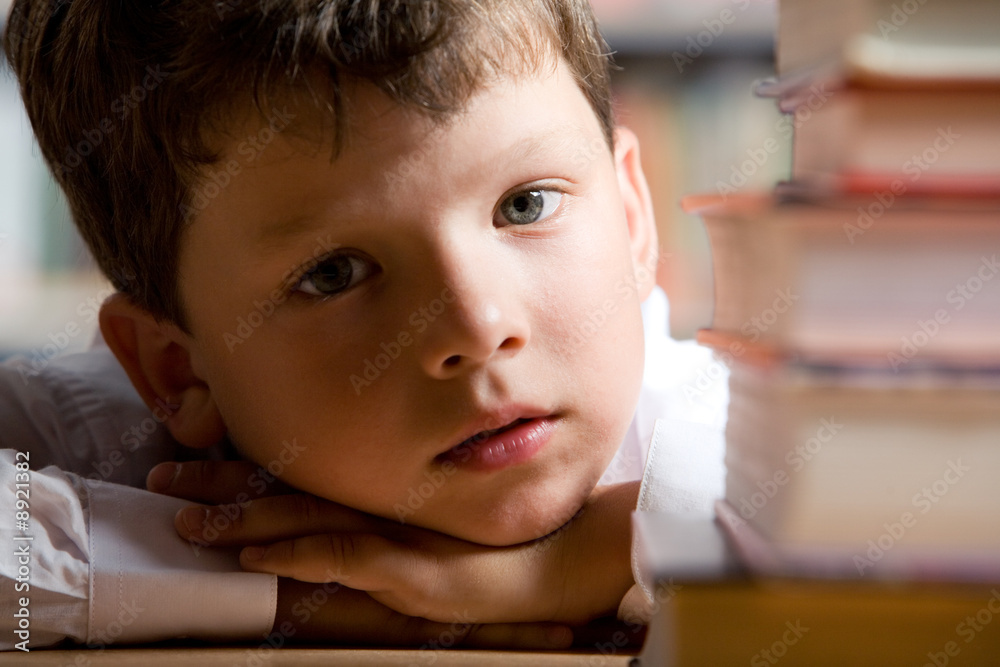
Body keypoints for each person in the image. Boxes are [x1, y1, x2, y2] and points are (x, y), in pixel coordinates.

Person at [0, 0, 727, 651]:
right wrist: (295, 589)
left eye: (526, 205)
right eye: (334, 274)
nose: (478, 327)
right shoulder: (107, 434)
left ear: (633, 217)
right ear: (177, 370)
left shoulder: (739, 422)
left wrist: (569, 565)